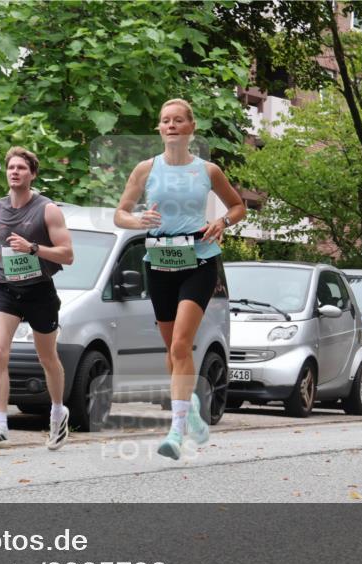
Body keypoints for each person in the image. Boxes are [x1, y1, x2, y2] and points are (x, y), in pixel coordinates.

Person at [114, 98, 245, 460]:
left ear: (190, 128)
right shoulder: (145, 169)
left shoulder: (208, 170)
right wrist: (137, 221)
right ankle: (195, 414)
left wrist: (222, 222)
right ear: (159, 128)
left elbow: (238, 206)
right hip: (158, 262)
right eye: (165, 121)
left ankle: (176, 430)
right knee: (173, 351)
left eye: (177, 121)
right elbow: (120, 214)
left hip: (199, 261)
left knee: (180, 346)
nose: (170, 125)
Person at [0, 147, 74, 450]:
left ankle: (58, 411)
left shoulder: (47, 209)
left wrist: (33, 248)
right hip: (6, 289)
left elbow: (67, 255)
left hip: (39, 290)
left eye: (21, 168)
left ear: (32, 174)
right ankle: (0, 425)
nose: (14, 172)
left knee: (47, 358)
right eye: (11, 167)